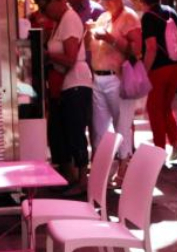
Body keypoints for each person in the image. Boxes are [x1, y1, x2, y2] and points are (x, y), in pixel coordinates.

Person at [90, 0, 142, 182]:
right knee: (99, 127)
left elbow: (137, 50)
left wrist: (110, 39)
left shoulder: (129, 17)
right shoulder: (103, 17)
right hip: (98, 77)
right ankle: (102, 168)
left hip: (118, 78)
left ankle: (123, 167)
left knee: (122, 125)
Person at [45, 0, 93, 193]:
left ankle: (82, 180)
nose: (44, 11)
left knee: (75, 132)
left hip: (76, 84)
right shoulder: (60, 20)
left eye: (44, 6)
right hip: (65, 85)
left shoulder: (70, 19)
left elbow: (71, 58)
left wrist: (49, 55)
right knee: (60, 131)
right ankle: (70, 176)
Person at [138, 0, 177, 160]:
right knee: (166, 107)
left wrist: (143, 72)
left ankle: (159, 151)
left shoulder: (148, 18)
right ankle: (176, 144)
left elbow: (151, 48)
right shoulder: (171, 11)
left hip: (159, 69)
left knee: (155, 109)